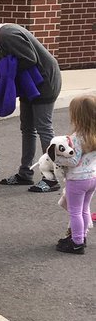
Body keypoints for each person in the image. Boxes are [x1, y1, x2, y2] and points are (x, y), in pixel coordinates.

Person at [0, 0, 62, 191]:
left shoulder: (8, 34)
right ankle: (25, 174)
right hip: (29, 83)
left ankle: (52, 178)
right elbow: (7, 66)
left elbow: (28, 60)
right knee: (27, 128)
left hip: (44, 81)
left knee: (44, 128)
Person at [52, 96, 96, 254]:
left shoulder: (76, 138)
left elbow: (74, 160)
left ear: (77, 116)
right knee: (84, 209)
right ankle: (82, 237)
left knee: (74, 211)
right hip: (92, 177)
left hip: (77, 180)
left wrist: (57, 158)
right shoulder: (94, 135)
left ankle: (76, 242)